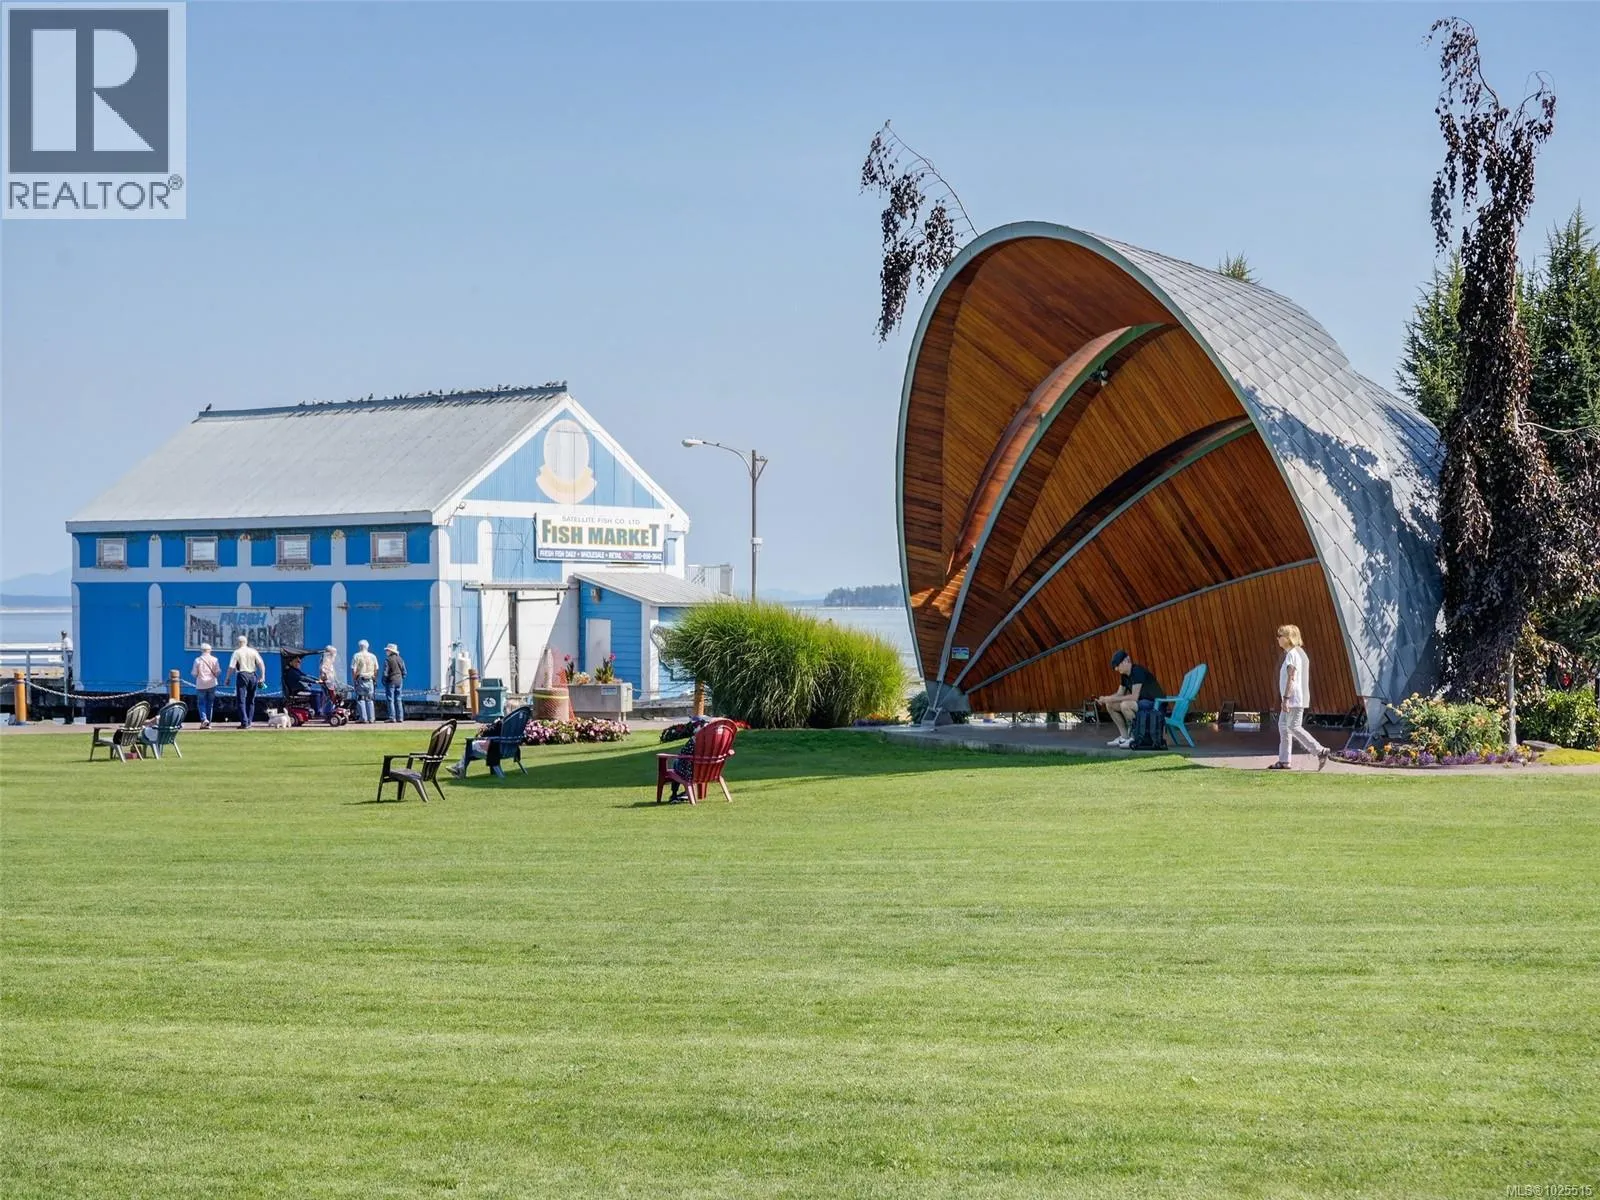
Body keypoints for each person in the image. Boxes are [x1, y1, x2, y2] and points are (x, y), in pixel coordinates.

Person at [1270, 624, 1329, 771]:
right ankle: (1284, 761)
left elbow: (1291, 677)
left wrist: (1286, 699)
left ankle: (1320, 750)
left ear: (1288, 638)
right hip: (1294, 698)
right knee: (1283, 726)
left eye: (1280, 636)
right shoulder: (1297, 653)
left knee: (1294, 726)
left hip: (1293, 699)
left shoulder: (1292, 654)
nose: (1277, 639)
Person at [1095, 650, 1164, 748]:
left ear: (1125, 661)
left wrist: (1110, 698)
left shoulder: (1137, 671)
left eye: (1117, 665)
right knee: (1110, 705)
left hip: (1155, 704)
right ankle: (1124, 737)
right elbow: (1119, 694)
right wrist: (1107, 699)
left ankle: (1134, 737)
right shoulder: (1124, 675)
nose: (1116, 669)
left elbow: (1134, 696)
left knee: (1125, 705)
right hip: (1141, 703)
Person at [223, 634, 265, 729]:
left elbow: (231, 667)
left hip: (242, 674)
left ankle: (244, 722)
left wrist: (227, 678)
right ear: (246, 642)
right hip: (253, 675)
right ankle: (249, 721)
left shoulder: (237, 652)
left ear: (238, 643)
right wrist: (263, 676)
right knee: (251, 700)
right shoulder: (253, 651)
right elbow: (261, 664)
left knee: (241, 700)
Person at [190, 642, 220, 729]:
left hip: (201, 684)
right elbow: (218, 672)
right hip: (212, 683)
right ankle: (208, 723)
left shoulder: (197, 660)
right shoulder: (215, 659)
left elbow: (194, 673)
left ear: (201, 650)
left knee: (201, 703)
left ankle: (204, 719)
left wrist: (199, 675)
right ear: (210, 650)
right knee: (210, 703)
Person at [350, 640, 379, 723]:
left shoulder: (356, 656)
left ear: (360, 647)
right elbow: (376, 669)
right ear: (367, 646)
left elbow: (353, 669)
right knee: (370, 699)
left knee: (360, 698)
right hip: (370, 679)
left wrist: (354, 679)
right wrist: (374, 678)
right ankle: (372, 718)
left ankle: (363, 718)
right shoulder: (373, 656)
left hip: (361, 679)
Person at [383, 643, 407, 723]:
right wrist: (401, 677)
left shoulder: (388, 660)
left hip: (391, 680)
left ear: (390, 651)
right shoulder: (400, 659)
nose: (386, 652)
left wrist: (384, 680)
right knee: (398, 699)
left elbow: (385, 672)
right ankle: (400, 717)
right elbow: (404, 672)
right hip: (399, 680)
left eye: (387, 650)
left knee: (390, 699)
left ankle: (392, 717)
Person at [316, 646, 339, 719]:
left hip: (329, 682)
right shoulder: (326, 660)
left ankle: (328, 712)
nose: (334, 655)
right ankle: (327, 713)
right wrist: (327, 679)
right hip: (328, 682)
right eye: (333, 653)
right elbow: (324, 671)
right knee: (329, 697)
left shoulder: (327, 660)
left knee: (329, 697)